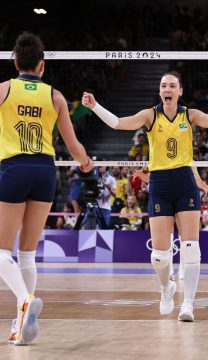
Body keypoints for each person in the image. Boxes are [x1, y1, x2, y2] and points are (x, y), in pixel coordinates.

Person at [82, 71, 208, 321]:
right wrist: (94, 105)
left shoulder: (189, 115)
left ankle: (188, 304)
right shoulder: (149, 115)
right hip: (160, 184)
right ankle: (166, 288)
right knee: (160, 256)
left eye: (172, 85)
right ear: (160, 90)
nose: (168, 89)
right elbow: (117, 123)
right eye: (164, 85)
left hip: (184, 182)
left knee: (191, 249)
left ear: (180, 91)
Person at [0, 32, 93, 345]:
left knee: (0, 251)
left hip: (13, 169)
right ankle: (21, 325)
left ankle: (25, 300)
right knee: (27, 253)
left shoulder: (3, 90)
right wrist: (86, 163)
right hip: (44, 171)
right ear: (42, 66)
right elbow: (73, 144)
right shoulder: (55, 96)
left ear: (15, 63)